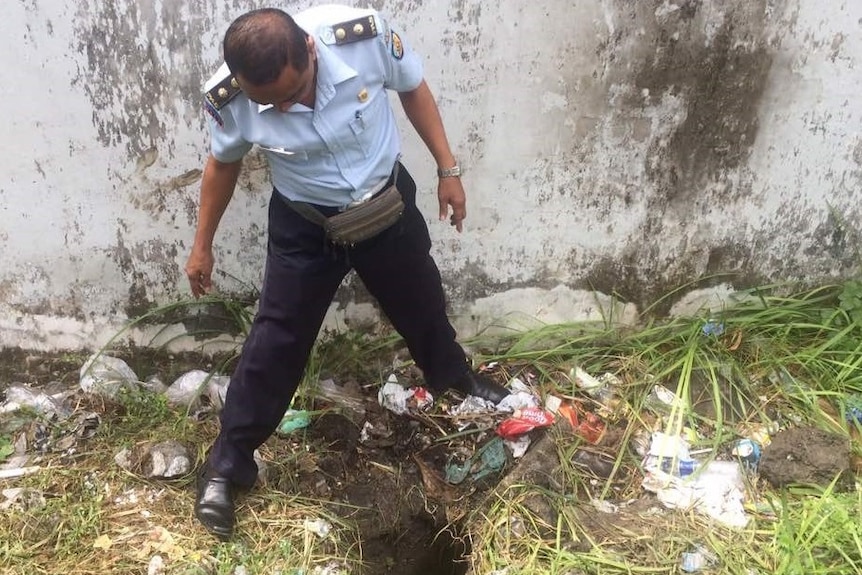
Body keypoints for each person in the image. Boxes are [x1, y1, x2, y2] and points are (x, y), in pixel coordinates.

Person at [186, 5, 510, 540]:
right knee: (276, 341)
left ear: (310, 50)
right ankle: (228, 463)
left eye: (292, 93)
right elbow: (223, 164)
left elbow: (414, 88)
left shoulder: (361, 37)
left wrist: (448, 170)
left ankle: (455, 380)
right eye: (272, 104)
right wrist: (202, 247)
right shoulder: (233, 96)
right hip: (306, 224)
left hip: (384, 205)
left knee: (422, 302)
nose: (285, 108)